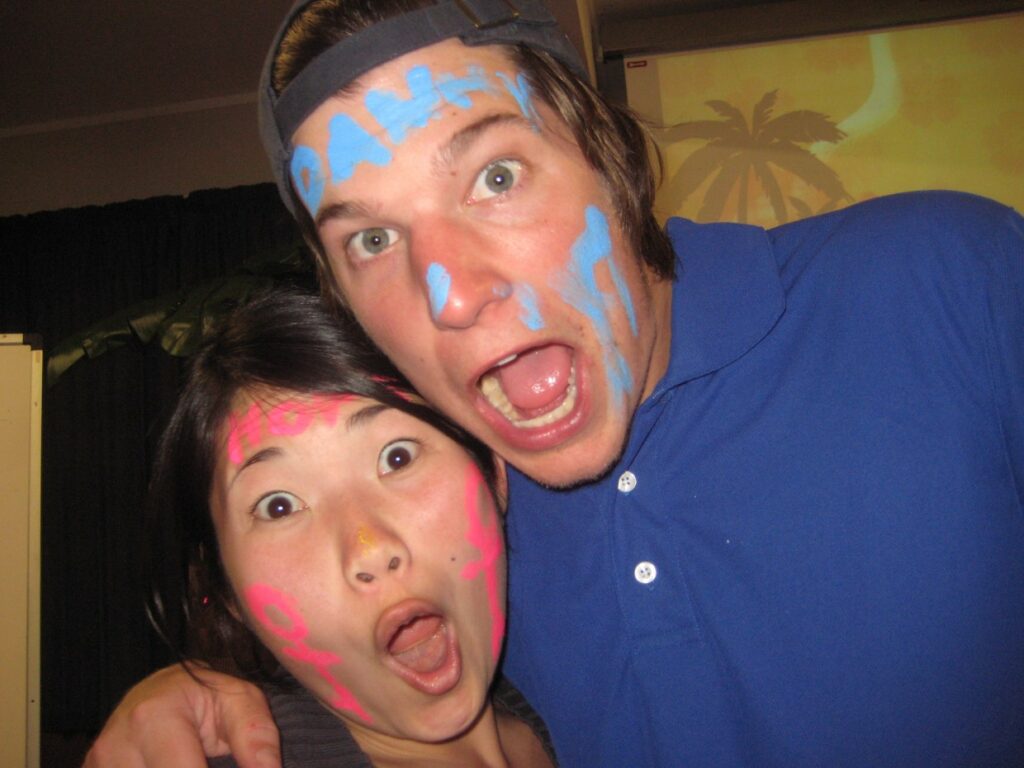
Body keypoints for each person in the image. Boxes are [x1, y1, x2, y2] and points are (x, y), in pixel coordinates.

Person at [86, 0, 1024, 765]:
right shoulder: (450, 524)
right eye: (371, 238)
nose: (451, 294)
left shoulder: (948, 282)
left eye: (495, 177)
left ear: (608, 153)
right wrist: (211, 694)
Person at [140, 285, 556, 767]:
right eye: (279, 507)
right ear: (229, 595)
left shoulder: (578, 706)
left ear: (493, 472)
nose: (370, 548)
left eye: (397, 458)